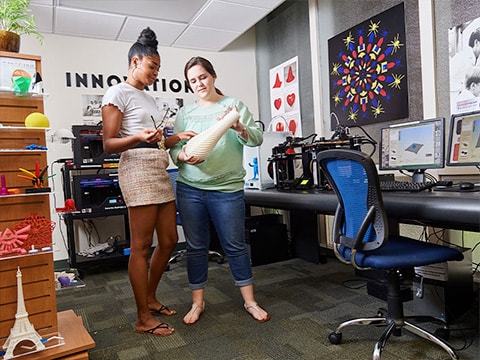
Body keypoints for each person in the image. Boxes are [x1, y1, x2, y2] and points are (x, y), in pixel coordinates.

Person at [101, 27, 195, 337]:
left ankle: (151, 298)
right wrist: (139, 136)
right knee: (141, 247)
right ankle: (143, 317)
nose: (155, 72)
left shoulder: (147, 97)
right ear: (135, 62)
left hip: (158, 167)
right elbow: (109, 144)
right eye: (152, 66)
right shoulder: (117, 92)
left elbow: (154, 141)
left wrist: (174, 138)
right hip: (136, 171)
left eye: (158, 68)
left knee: (168, 240)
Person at [169, 56, 271, 325]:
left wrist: (238, 126)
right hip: (190, 188)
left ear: (213, 76)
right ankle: (197, 303)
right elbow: (174, 149)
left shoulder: (232, 106)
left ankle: (250, 301)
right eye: (193, 80)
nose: (199, 83)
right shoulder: (184, 113)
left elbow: (257, 138)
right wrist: (182, 157)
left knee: (235, 246)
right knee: (196, 247)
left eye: (202, 77)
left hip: (226, 188)